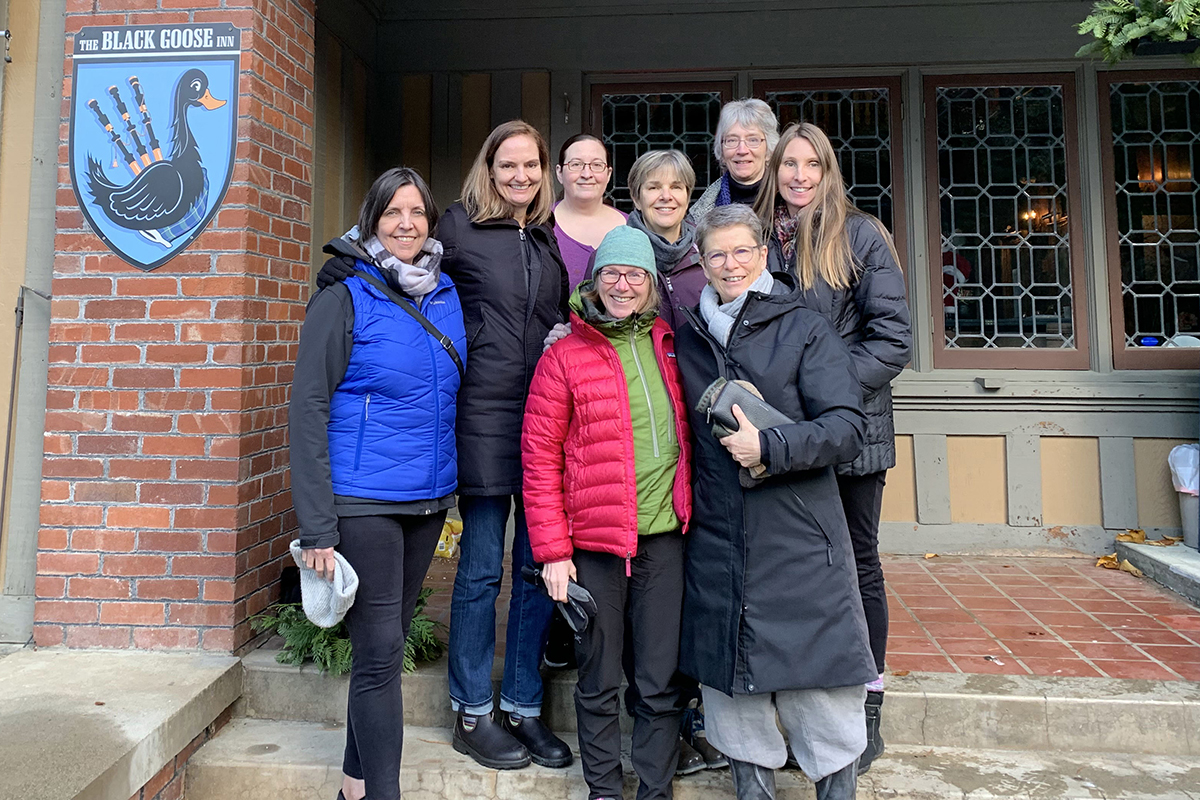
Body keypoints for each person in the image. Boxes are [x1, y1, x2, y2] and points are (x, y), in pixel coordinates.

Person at [315, 120, 573, 773]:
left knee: (535, 570)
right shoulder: (454, 229)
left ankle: (521, 704)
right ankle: (471, 710)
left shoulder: (545, 241)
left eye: (530, 167)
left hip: (541, 423)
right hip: (479, 422)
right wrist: (342, 271)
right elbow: (394, 273)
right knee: (483, 567)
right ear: (487, 170)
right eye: (506, 165)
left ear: (543, 175)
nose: (518, 177)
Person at [674, 203, 874, 800]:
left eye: (742, 251)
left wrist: (772, 443)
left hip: (799, 529)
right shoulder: (687, 336)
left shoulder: (805, 326)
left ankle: (835, 786)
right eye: (717, 254)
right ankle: (751, 786)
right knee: (733, 683)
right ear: (701, 263)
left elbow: (847, 428)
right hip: (716, 529)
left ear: (764, 254)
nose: (730, 265)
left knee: (820, 679)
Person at [290, 167, 465, 800]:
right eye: (392, 212)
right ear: (371, 220)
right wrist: (316, 525)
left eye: (417, 212)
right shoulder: (344, 296)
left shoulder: (444, 292)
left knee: (380, 649)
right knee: (381, 652)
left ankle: (352, 786)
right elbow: (307, 407)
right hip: (361, 501)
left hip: (425, 500)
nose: (406, 224)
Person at [753, 122, 912, 774]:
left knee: (855, 565)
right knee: (802, 571)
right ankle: (802, 712)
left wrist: (822, 394)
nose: (797, 175)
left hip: (849, 434)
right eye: (787, 164)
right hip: (784, 436)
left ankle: (865, 703)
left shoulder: (861, 235)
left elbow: (892, 339)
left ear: (827, 170)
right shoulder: (763, 237)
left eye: (809, 164)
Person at [524, 225, 693, 800]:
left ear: (650, 283)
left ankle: (654, 788)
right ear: (594, 282)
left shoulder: (671, 346)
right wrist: (551, 551)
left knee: (658, 680)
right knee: (597, 677)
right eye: (612, 274)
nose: (623, 285)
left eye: (635, 274)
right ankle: (603, 789)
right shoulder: (565, 356)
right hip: (594, 545)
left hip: (664, 540)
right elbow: (540, 458)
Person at [552, 133, 628, 289]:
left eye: (597, 165)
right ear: (559, 173)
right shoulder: (539, 224)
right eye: (576, 164)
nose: (587, 174)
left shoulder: (632, 226)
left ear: (608, 174)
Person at [688, 98, 780, 223]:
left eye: (753, 140)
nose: (742, 150)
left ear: (769, 150)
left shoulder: (787, 201)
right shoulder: (700, 215)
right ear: (722, 150)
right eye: (732, 140)